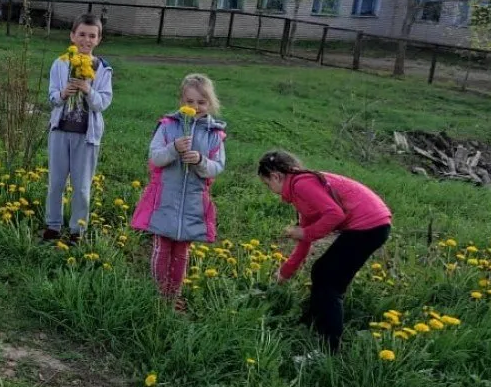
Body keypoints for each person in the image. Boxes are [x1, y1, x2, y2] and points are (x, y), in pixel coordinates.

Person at [257, 150, 392, 354]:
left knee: (328, 279)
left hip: (369, 226)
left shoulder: (302, 185)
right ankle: (312, 322)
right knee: (323, 273)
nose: (271, 190)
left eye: (268, 184)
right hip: (373, 225)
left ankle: (328, 349)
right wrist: (285, 272)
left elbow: (334, 214)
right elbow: (305, 240)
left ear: (275, 176)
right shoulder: (299, 190)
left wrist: (305, 231)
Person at [130, 73, 227, 308]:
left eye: (201, 102)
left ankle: (173, 296)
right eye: (189, 101)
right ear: (181, 101)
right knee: (162, 246)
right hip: (165, 198)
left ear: (210, 104)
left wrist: (201, 161)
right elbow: (155, 157)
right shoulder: (168, 126)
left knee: (182, 251)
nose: (195, 107)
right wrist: (173, 148)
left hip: (193, 202)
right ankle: (158, 294)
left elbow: (217, 167)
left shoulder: (214, 135)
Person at [43, 14, 114, 242]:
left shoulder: (102, 68)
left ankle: (77, 230)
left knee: (82, 186)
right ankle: (52, 226)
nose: (86, 40)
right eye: (81, 34)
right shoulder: (61, 63)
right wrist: (64, 94)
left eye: (92, 36)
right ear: (72, 36)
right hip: (61, 131)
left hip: (87, 135)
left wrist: (87, 89)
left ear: (98, 39)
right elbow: (52, 97)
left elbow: (102, 102)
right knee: (56, 182)